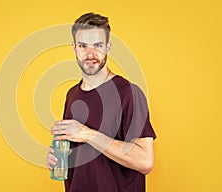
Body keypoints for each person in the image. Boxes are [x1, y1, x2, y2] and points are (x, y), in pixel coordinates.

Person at [46, 12, 156, 192]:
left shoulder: (129, 93)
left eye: (97, 45)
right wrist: (59, 158)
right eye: (83, 46)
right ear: (74, 49)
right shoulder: (72, 95)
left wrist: (87, 134)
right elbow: (87, 159)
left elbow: (144, 161)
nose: (90, 54)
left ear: (108, 48)